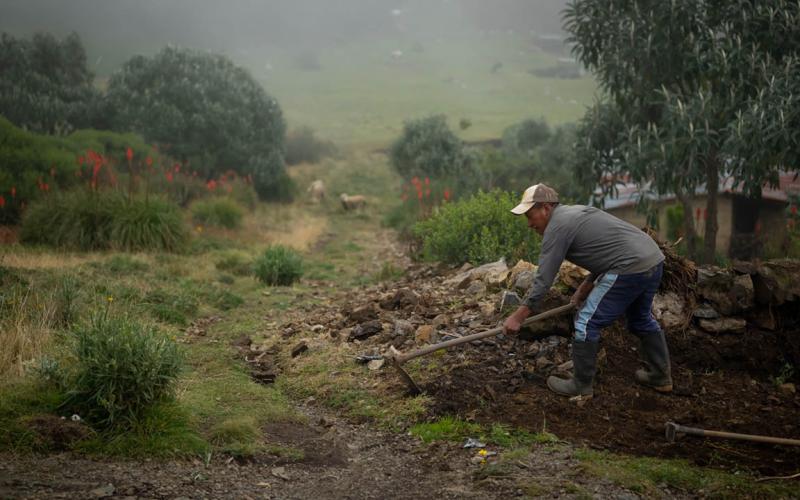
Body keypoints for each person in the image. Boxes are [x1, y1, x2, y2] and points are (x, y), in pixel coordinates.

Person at [503, 183, 672, 399]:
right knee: (640, 318)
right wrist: (586, 286)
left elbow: (543, 280)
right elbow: (608, 250)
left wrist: (518, 317)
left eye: (530, 215)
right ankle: (661, 376)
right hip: (652, 260)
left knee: (585, 322)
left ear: (545, 208)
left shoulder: (557, 228)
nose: (528, 224)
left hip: (628, 267)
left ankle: (581, 385)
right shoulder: (577, 212)